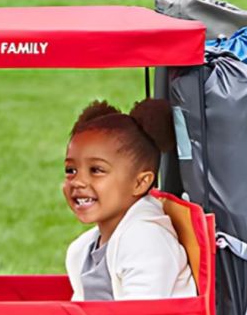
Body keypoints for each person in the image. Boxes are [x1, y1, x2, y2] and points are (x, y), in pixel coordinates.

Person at [63, 99, 196, 301]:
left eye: (96, 170)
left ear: (140, 183)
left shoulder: (146, 240)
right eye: (71, 170)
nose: (78, 181)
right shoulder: (82, 250)